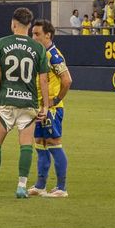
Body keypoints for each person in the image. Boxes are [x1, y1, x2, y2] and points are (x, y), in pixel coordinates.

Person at [0, 7, 51, 199]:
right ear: (29, 25)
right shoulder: (38, 48)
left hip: (6, 101)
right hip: (29, 103)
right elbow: (43, 80)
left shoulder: (1, 43)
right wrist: (46, 106)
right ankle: (21, 187)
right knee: (25, 144)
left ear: (13, 24)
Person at [28, 19, 73, 198]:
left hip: (51, 109)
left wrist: (56, 100)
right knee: (40, 143)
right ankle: (40, 185)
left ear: (48, 35)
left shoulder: (53, 55)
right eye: (32, 33)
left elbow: (67, 80)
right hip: (39, 107)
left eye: (37, 34)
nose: (34, 37)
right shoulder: (40, 53)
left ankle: (61, 188)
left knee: (54, 143)